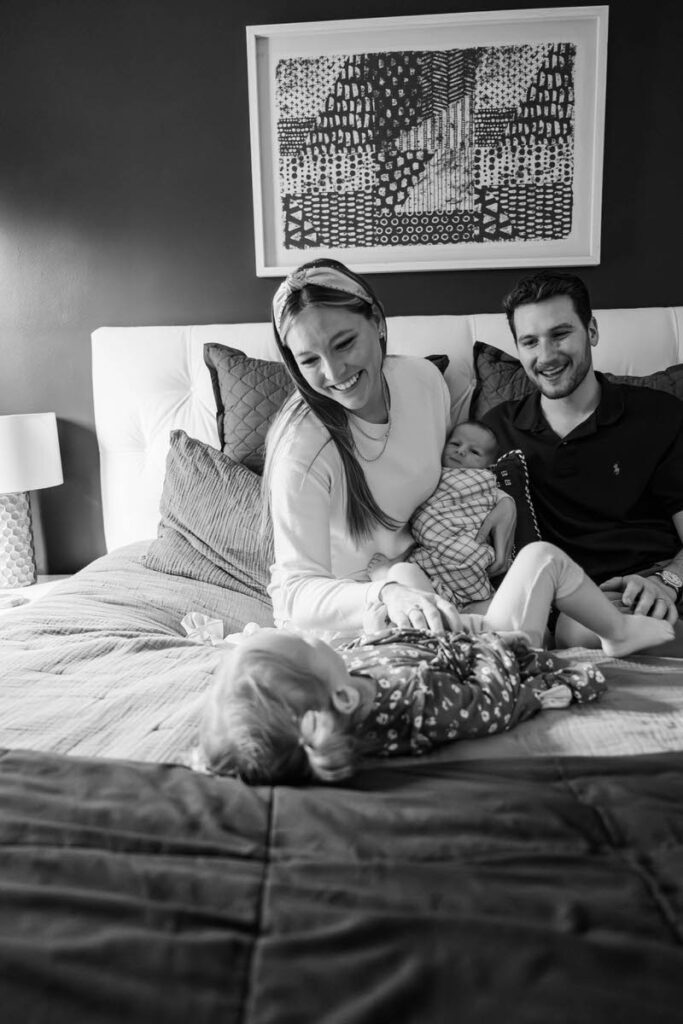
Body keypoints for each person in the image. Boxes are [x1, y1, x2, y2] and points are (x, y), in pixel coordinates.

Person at [197, 541, 674, 785]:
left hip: (431, 641)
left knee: (403, 572)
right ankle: (617, 632)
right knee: (541, 557)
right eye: (305, 643)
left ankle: (434, 592)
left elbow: (371, 657)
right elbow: (490, 700)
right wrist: (494, 646)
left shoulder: (342, 692)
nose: (310, 637)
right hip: (494, 646)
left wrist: (374, 632)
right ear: (339, 696)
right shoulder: (419, 702)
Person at [264, 258, 515, 637]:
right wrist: (388, 593)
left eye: (344, 344)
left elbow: (448, 478)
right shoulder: (302, 446)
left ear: (378, 321)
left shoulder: (423, 381)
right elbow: (296, 592)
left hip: (429, 587)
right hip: (347, 616)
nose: (333, 372)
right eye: (310, 360)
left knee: (532, 606)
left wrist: (502, 503)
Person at [482, 271, 683, 649]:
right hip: (552, 603)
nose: (546, 356)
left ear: (591, 331)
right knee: (571, 630)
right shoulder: (495, 432)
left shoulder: (659, 415)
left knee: (579, 632)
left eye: (560, 334)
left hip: (646, 590)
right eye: (530, 341)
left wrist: (668, 581)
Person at [368, 419, 504, 608]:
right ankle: (446, 606)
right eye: (455, 444)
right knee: (426, 577)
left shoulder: (482, 481)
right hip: (466, 565)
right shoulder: (432, 471)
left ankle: (391, 577)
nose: (461, 451)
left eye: (474, 452)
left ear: (488, 467)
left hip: (466, 551)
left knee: (412, 569)